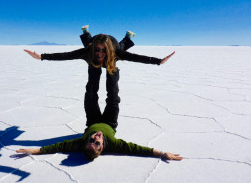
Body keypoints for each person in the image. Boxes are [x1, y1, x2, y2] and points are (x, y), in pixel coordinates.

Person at [16, 69, 183, 161]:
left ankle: (94, 67)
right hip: (110, 122)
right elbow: (137, 149)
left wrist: (36, 150)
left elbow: (58, 147)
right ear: (102, 147)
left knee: (90, 94)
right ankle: (112, 68)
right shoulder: (114, 144)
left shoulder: (80, 143)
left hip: (93, 119)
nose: (95, 137)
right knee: (113, 96)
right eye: (97, 141)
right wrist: (162, 153)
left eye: (91, 140)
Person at [24, 31, 175, 128]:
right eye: (97, 49)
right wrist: (42, 57)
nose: (100, 53)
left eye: (104, 50)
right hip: (93, 61)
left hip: (114, 48)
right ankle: (93, 120)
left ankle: (127, 37)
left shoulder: (114, 53)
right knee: (91, 90)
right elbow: (66, 55)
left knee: (113, 91)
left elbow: (135, 57)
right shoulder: (89, 52)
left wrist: (158, 61)